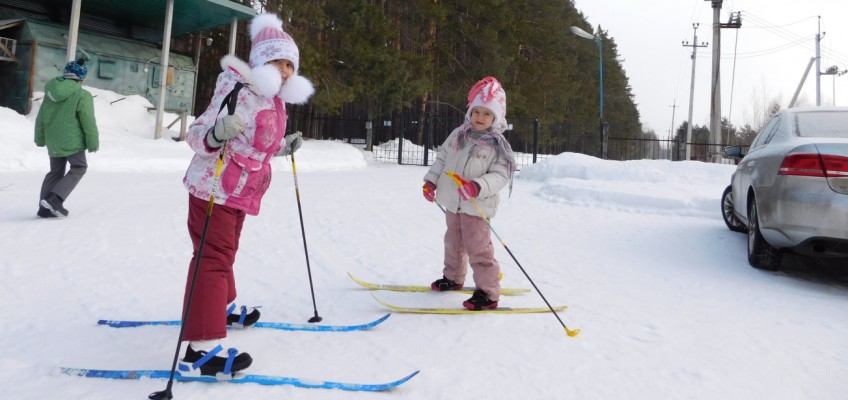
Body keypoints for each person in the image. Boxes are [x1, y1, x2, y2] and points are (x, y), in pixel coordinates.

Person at [178, 13, 313, 376]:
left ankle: (220, 305)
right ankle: (199, 348)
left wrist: (281, 147)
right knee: (212, 257)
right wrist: (216, 133)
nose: (284, 70)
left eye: (289, 64)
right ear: (259, 62)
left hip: (239, 191)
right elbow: (197, 134)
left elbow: (255, 142)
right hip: (214, 188)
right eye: (276, 61)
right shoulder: (237, 89)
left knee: (224, 252)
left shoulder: (271, 99)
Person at [422, 76, 516, 311]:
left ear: (496, 117)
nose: (479, 118)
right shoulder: (458, 134)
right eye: (476, 112)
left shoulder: (498, 145)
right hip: (454, 203)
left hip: (477, 206)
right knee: (452, 242)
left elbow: (501, 175)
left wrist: (477, 186)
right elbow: (443, 158)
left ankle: (488, 292)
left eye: (486, 113)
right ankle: (453, 278)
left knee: (479, 249)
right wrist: (431, 182)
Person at [34, 58, 99, 218]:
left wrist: (40, 138)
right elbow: (87, 120)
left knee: (55, 171)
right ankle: (55, 200)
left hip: (53, 139)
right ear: (81, 77)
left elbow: (41, 117)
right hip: (72, 140)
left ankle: (44, 208)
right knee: (79, 167)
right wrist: (93, 141)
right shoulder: (82, 94)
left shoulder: (50, 93)